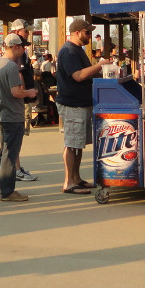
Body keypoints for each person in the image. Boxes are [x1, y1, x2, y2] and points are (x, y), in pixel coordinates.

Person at [55, 18, 107, 195]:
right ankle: (69, 182)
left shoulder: (77, 50)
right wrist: (99, 66)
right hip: (72, 104)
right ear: (77, 33)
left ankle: (76, 178)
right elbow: (78, 76)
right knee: (72, 143)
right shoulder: (69, 51)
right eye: (87, 32)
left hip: (80, 104)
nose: (90, 35)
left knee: (78, 144)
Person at [0, 33, 38, 202]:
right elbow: (15, 92)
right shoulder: (11, 67)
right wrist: (29, 92)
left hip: (0, 113)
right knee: (10, 154)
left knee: (3, 152)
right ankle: (7, 191)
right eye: (23, 46)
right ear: (15, 47)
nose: (24, 49)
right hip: (11, 114)